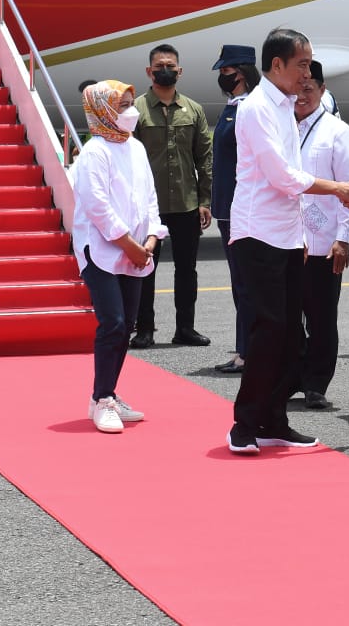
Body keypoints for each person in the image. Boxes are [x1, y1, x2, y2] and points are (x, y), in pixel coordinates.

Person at [225, 27, 349, 455]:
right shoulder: (255, 109)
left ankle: (275, 420)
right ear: (277, 64)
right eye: (301, 64)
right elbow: (283, 177)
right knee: (268, 331)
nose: (308, 74)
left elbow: (292, 175)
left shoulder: (283, 105)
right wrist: (338, 189)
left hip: (285, 234)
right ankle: (243, 425)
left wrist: (301, 234)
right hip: (257, 233)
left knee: (288, 335)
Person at [71, 81, 167, 433]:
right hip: (102, 249)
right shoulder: (94, 153)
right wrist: (128, 243)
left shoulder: (136, 148)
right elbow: (98, 207)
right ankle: (102, 399)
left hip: (137, 247)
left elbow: (149, 197)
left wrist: (153, 236)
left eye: (130, 103)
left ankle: (109, 392)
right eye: (123, 105)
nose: (131, 111)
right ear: (103, 112)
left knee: (127, 324)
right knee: (111, 322)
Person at [131, 43, 213, 349]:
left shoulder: (193, 110)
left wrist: (204, 200)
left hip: (185, 203)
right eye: (159, 65)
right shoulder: (135, 110)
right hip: (148, 206)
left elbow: (204, 158)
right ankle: (145, 329)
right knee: (145, 267)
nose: (165, 69)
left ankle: (185, 328)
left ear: (179, 71)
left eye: (170, 65)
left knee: (186, 269)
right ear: (149, 71)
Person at [296, 60, 349, 409]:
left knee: (321, 316)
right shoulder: (284, 128)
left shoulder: (337, 132)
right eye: (298, 88)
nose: (302, 95)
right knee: (289, 316)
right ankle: (295, 376)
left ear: (322, 90)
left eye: (310, 89)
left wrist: (342, 238)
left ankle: (317, 383)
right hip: (289, 239)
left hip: (323, 242)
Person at [209, 44, 260, 374]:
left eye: (225, 72)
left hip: (240, 208)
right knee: (240, 283)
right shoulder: (234, 106)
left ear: (239, 73)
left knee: (246, 284)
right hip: (228, 208)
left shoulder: (247, 108)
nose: (222, 77)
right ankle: (246, 348)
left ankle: (248, 351)